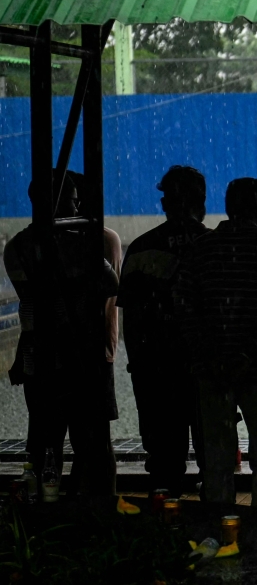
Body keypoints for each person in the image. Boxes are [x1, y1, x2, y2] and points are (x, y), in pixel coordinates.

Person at [174, 177, 257, 510]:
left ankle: (218, 529)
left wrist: (212, 355)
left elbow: (185, 309)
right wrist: (248, 353)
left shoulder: (201, 249)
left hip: (211, 373)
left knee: (216, 461)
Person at [4, 170, 119, 497]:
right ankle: (92, 509)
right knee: (92, 443)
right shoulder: (85, 243)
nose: (78, 204)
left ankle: (42, 510)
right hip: (85, 360)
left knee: (43, 441)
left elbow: (31, 310)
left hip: (39, 362)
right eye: (72, 200)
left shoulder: (16, 247)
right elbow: (111, 286)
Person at [118, 166, 209, 498]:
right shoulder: (213, 245)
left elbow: (132, 321)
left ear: (164, 203)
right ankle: (215, 534)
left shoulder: (142, 249)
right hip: (206, 372)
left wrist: (138, 366)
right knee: (213, 461)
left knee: (164, 466)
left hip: (156, 373)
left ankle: (165, 534)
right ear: (202, 200)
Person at [68, 169, 122, 496]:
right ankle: (106, 499)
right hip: (100, 348)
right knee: (98, 436)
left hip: (86, 348)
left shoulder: (96, 240)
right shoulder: (107, 238)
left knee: (85, 435)